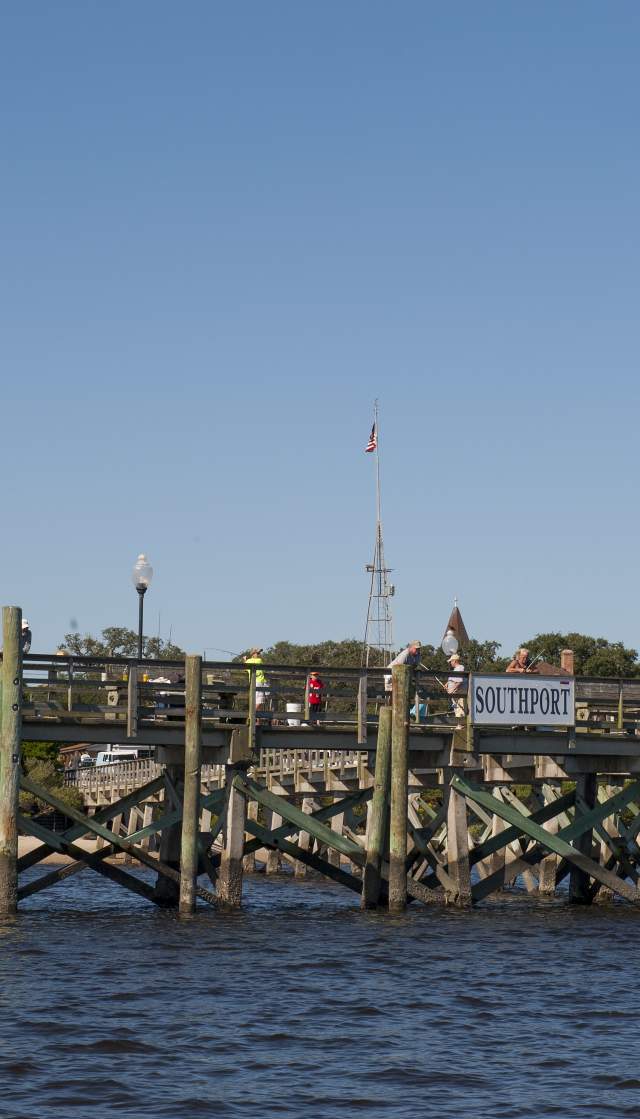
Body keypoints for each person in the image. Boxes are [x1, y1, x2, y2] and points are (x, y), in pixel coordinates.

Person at [446, 652, 466, 718]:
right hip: (455, 694)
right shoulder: (455, 669)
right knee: (457, 709)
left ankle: (461, 725)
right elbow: (453, 680)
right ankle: (459, 725)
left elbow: (459, 681)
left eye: (451, 661)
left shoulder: (460, 668)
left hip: (458, 693)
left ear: (454, 661)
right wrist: (447, 684)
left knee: (460, 709)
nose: (450, 663)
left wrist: (453, 690)